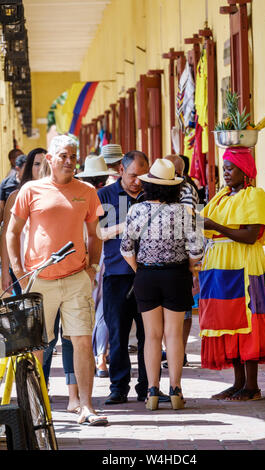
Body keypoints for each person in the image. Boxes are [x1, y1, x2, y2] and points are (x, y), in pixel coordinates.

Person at [6, 135, 108, 426]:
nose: (68, 161)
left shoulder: (88, 191)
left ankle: (86, 407)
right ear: (50, 158)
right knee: (36, 347)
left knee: (82, 342)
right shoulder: (31, 190)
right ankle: (36, 409)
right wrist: (18, 271)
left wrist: (93, 267)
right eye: (63, 155)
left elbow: (94, 233)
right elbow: (12, 232)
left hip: (77, 278)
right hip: (39, 279)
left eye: (73, 157)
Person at [198, 147, 265, 401]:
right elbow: (206, 226)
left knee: (247, 319)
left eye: (230, 168)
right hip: (219, 264)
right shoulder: (221, 196)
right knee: (227, 320)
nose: (226, 173)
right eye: (224, 169)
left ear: (244, 170)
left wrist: (216, 226)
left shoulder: (254, 195)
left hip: (244, 263)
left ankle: (252, 386)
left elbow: (250, 235)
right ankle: (238, 382)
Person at [120, 159, 203, 410]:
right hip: (176, 276)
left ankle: (152, 391)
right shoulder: (185, 212)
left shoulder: (136, 210)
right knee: (174, 335)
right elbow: (197, 249)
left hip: (146, 277)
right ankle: (176, 390)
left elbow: (126, 248)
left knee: (152, 336)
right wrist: (190, 269)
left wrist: (140, 270)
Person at [97, 150, 150, 404]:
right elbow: (98, 233)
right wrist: (126, 225)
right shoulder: (105, 195)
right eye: (133, 176)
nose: (138, 181)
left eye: (143, 175)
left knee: (148, 334)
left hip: (149, 273)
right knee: (117, 333)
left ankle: (148, 386)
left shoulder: (152, 194)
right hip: (116, 274)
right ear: (121, 171)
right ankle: (118, 387)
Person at [75, 154, 118, 378]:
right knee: (98, 308)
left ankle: (96, 357)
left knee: (91, 308)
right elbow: (101, 233)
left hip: (86, 255)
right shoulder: (106, 195)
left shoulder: (81, 194)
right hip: (98, 256)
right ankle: (99, 357)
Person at [164, 154, 201, 367]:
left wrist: (191, 264)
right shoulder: (156, 186)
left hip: (182, 256)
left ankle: (180, 350)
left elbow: (189, 223)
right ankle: (171, 350)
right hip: (163, 258)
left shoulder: (187, 190)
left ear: (179, 172)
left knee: (183, 310)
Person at [1, 148, 46, 295]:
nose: (41, 169)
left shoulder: (58, 196)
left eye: (46, 164)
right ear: (29, 168)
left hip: (50, 267)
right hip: (22, 269)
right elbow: (6, 235)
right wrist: (6, 271)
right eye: (37, 164)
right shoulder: (16, 196)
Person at [0, 153, 26, 224]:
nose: (28, 172)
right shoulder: (6, 183)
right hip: (9, 223)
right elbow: (1, 206)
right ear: (17, 168)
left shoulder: (32, 183)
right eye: (26, 169)